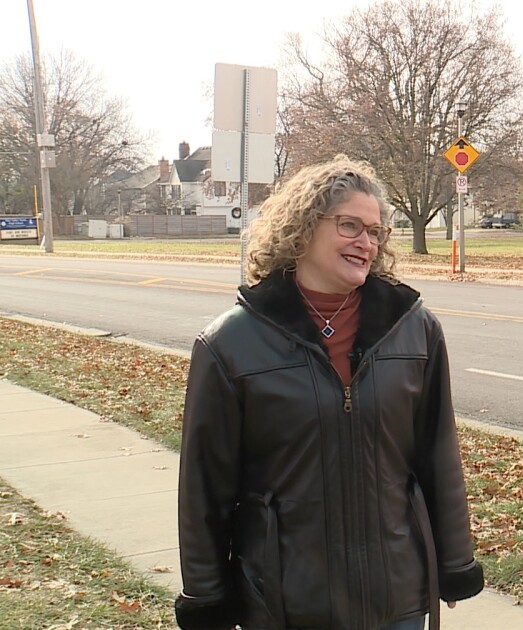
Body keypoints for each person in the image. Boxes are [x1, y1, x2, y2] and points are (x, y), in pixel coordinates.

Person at [174, 156, 484, 630]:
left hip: (395, 595)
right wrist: (205, 594)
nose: (366, 243)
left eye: (376, 232)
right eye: (349, 226)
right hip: (286, 600)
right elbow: (205, 486)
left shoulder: (413, 329)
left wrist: (455, 562)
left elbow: (438, 453)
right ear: (302, 228)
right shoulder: (230, 344)